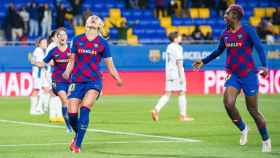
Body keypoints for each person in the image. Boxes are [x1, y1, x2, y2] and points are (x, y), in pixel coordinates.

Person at [192, 4, 272, 152]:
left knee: (253, 110)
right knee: (228, 103)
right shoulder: (225, 34)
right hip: (233, 74)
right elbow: (218, 51)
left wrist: (265, 66)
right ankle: (243, 128)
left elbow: (260, 49)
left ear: (234, 15)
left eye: (227, 14)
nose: (224, 16)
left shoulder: (248, 30)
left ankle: (266, 139)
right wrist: (203, 62)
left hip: (248, 74)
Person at [62, 15, 123, 153]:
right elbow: (71, 60)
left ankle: (77, 145)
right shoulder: (77, 40)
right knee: (71, 113)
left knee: (85, 106)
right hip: (77, 81)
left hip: (94, 81)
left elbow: (110, 65)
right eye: (91, 18)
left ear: (100, 25)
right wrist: (67, 71)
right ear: (86, 23)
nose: (94, 19)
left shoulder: (103, 43)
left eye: (96, 19)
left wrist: (117, 78)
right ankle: (78, 135)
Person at [151, 31, 194, 122]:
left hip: (169, 74)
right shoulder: (178, 47)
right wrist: (182, 76)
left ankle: (156, 110)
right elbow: (178, 62)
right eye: (179, 36)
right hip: (176, 73)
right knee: (182, 92)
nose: (180, 38)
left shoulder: (169, 47)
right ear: (175, 39)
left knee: (167, 94)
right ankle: (183, 116)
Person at [42, 27, 72, 132]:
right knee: (65, 100)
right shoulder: (53, 51)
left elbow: (79, 62)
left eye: (65, 35)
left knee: (67, 103)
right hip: (58, 80)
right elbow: (45, 61)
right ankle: (71, 124)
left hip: (71, 80)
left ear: (67, 37)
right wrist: (35, 62)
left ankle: (68, 124)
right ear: (57, 38)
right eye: (60, 35)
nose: (63, 37)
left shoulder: (71, 50)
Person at [29, 37, 47, 115]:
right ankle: (33, 109)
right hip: (38, 74)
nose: (45, 44)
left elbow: (34, 61)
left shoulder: (41, 51)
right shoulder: (39, 50)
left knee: (42, 90)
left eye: (46, 42)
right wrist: (46, 64)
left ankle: (39, 108)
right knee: (36, 90)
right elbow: (40, 64)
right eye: (43, 43)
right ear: (39, 44)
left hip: (40, 73)